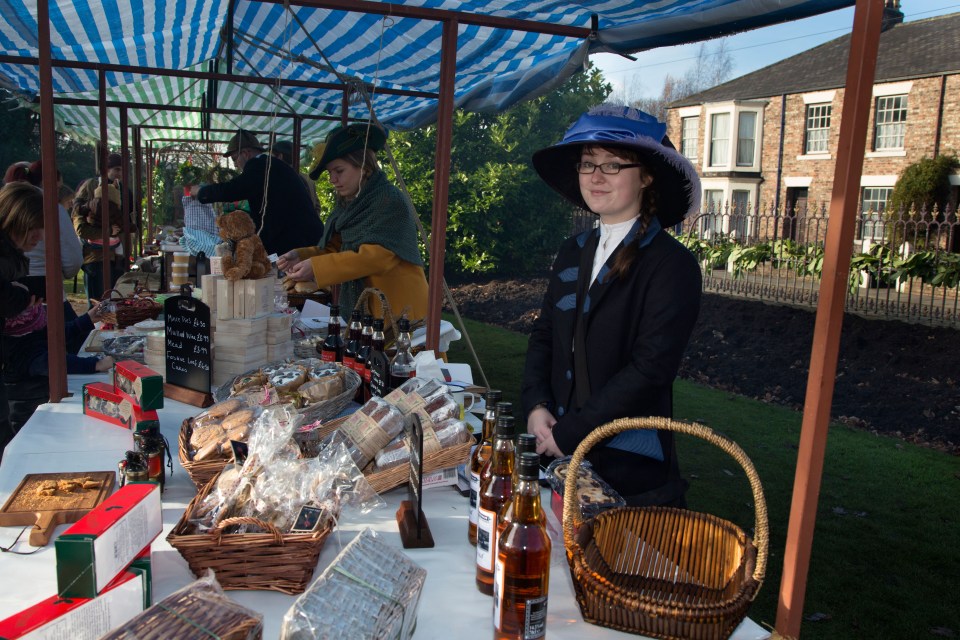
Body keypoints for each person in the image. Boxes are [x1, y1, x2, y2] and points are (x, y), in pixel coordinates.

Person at [521, 105, 703, 507]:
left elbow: (650, 370)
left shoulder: (671, 265)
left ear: (647, 176)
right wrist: (537, 407)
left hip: (627, 471)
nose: (596, 176)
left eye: (613, 165)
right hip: (557, 455)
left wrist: (570, 433)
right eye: (588, 164)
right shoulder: (574, 251)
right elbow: (545, 335)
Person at [277, 122, 428, 325]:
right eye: (330, 172)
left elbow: (378, 257)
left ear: (364, 167)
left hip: (399, 308)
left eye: (338, 170)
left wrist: (317, 267)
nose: (332, 179)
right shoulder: (348, 204)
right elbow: (336, 248)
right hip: (368, 306)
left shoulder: (389, 199)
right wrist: (301, 255)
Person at [0, 183, 112, 454]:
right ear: (21, 220)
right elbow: (38, 356)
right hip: (23, 400)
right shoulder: (16, 322)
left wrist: (87, 319)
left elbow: (49, 336)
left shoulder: (17, 273)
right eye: (37, 228)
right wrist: (92, 365)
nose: (40, 237)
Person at [191, 130, 324, 256]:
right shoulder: (269, 165)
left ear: (246, 153)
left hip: (298, 239)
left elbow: (232, 190)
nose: (236, 165)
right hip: (300, 236)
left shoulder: (259, 166)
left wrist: (202, 191)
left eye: (234, 158)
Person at [22, 160, 84, 323]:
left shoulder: (9, 206)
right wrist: (63, 272)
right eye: (57, 188)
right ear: (45, 183)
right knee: (73, 340)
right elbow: (73, 260)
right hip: (46, 288)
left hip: (14, 291)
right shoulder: (52, 208)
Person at [73, 180, 125, 307]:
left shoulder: (104, 208)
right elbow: (82, 230)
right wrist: (108, 231)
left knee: (110, 301)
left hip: (110, 259)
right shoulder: (81, 211)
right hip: (94, 261)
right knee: (97, 304)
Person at [271, 139, 322, 218]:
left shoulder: (282, 180)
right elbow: (317, 206)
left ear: (280, 157)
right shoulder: (308, 179)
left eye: (272, 157)